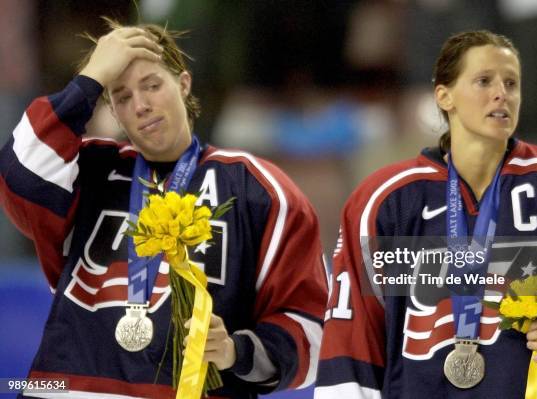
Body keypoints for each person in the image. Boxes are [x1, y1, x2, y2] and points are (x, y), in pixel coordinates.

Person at [0, 19, 328, 399]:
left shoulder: (256, 190)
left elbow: (313, 329)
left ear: (184, 84)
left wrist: (237, 352)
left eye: (152, 86)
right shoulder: (86, 171)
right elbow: (17, 173)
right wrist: (89, 80)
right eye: (121, 97)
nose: (140, 106)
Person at [314, 30, 537, 398]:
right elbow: (352, 336)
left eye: (512, 83)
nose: (502, 93)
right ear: (444, 95)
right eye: (484, 81)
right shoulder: (386, 200)